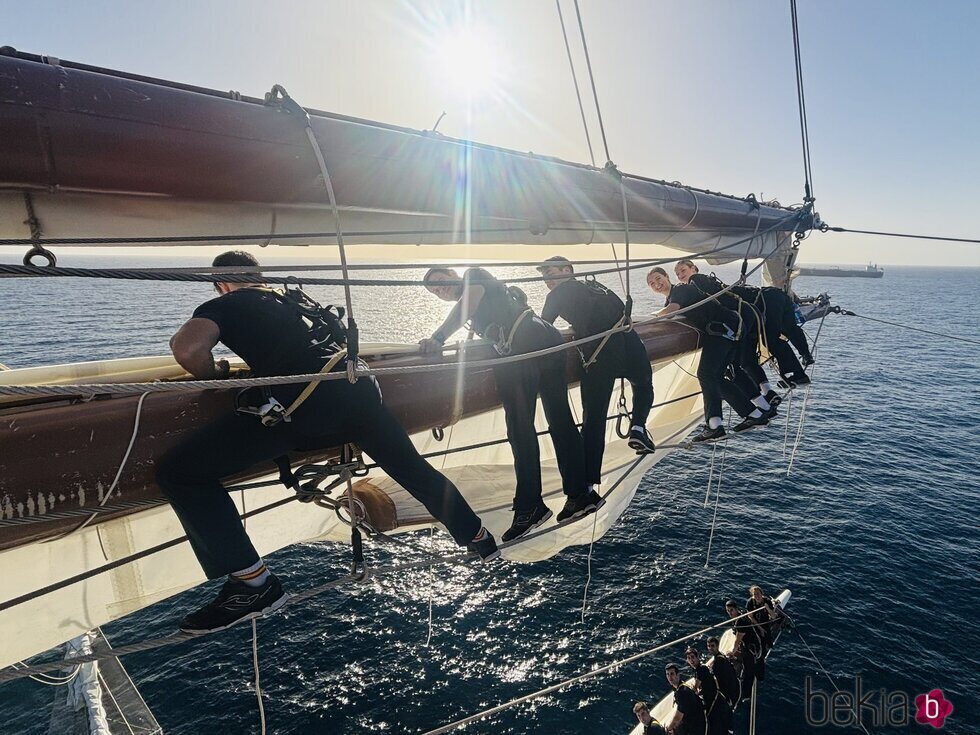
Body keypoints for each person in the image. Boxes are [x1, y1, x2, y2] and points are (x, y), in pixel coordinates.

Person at [157, 251, 498, 635]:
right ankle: (478, 537)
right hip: (360, 393)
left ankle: (254, 585)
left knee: (180, 473)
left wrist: (214, 371)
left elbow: (187, 349)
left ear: (221, 283)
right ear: (260, 275)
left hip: (310, 407)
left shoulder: (226, 302)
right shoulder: (298, 299)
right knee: (412, 469)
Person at [420, 267, 599, 541]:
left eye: (440, 282)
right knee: (560, 420)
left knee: (520, 429)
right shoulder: (492, 294)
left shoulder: (473, 275)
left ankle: (530, 507)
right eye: (434, 291)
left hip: (521, 349)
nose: (439, 290)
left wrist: (438, 337)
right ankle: (580, 494)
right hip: (546, 338)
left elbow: (467, 305)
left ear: (453, 274)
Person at [537, 256, 655, 489]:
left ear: (567, 270)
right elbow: (622, 309)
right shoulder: (598, 286)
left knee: (594, 418)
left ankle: (589, 483)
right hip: (629, 342)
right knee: (643, 385)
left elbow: (543, 327)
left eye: (550, 273)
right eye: (544, 277)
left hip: (599, 354)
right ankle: (638, 428)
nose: (546, 280)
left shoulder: (556, 295)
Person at [647, 267, 768, 443]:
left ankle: (715, 426)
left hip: (722, 329)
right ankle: (754, 414)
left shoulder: (680, 290)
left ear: (667, 277)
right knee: (716, 378)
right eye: (652, 283)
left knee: (705, 374)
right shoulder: (673, 297)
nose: (656, 284)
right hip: (730, 328)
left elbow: (671, 311)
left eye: (658, 278)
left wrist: (649, 317)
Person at [673, 260, 777, 417]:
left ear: (694, 268)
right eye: (678, 273)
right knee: (735, 369)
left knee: (712, 374)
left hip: (730, 325)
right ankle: (764, 403)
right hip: (740, 321)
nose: (681, 275)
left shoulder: (696, 282)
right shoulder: (708, 281)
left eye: (683, 270)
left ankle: (753, 412)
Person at [725, 600, 763, 700]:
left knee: (748, 672)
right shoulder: (740, 616)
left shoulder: (740, 621)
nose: (730, 613)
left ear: (736, 609)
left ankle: (746, 695)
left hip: (752, 649)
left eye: (731, 610)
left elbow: (738, 638)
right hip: (750, 644)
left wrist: (732, 651)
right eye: (728, 611)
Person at [685, 647, 728, 735]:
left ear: (698, 658)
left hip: (712, 701)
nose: (691, 660)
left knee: (713, 726)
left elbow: (695, 688)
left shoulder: (700, 670)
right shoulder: (703, 668)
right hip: (715, 698)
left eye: (693, 657)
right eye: (689, 658)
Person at [664, 662, 707, 735]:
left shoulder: (681, 693)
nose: (669, 677)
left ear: (678, 675)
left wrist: (668, 729)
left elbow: (677, 718)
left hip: (696, 727)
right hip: (699, 720)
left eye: (672, 674)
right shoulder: (683, 686)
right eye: (667, 674)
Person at [706, 636, 739, 723]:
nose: (710, 648)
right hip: (733, 691)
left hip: (727, 694)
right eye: (708, 646)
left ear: (717, 646)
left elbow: (716, 680)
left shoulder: (718, 662)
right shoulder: (721, 657)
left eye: (712, 646)